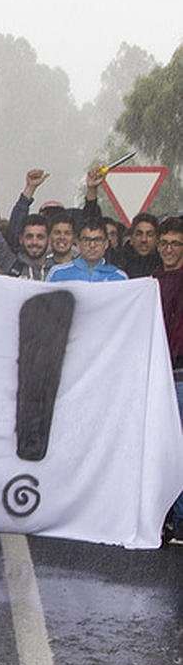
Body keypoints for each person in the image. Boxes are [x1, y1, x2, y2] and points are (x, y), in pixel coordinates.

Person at [152, 217, 183, 545]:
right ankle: (163, 517)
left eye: (176, 244)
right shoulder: (152, 281)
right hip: (159, 375)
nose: (169, 249)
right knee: (162, 449)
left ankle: (181, 519)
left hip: (181, 374)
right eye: (165, 243)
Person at [48, 218, 126, 282]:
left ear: (106, 244)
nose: (92, 245)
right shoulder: (57, 273)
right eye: (86, 240)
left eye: (98, 240)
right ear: (78, 243)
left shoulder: (119, 277)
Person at [113, 213, 162, 279]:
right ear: (132, 237)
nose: (144, 239)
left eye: (150, 235)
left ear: (157, 239)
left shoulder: (164, 264)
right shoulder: (118, 263)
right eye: (139, 234)